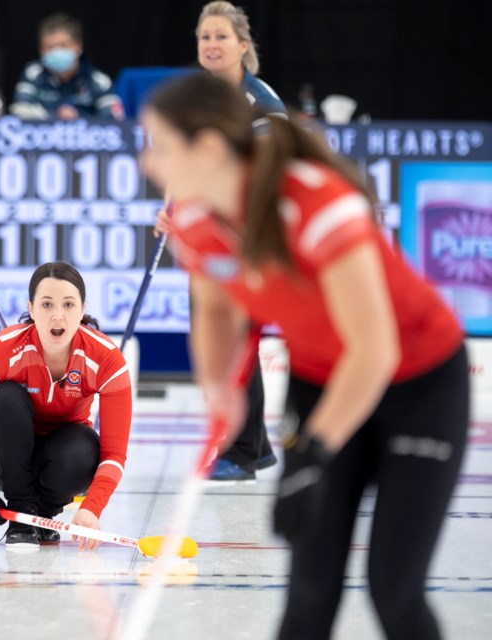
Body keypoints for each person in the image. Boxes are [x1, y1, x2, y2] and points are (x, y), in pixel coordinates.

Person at [142, 73, 469, 640]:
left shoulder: (316, 203)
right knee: (310, 592)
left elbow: (374, 349)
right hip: (318, 379)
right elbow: (218, 314)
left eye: (160, 147)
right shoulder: (194, 223)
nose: (150, 165)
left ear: (210, 148)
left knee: (394, 588)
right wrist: (220, 392)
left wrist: (315, 449)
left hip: (418, 385)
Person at [0, 262, 133, 551]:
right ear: (31, 308)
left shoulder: (106, 359)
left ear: (82, 309)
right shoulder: (5, 348)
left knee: (85, 446)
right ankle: (21, 515)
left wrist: (92, 507)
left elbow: (114, 454)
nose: (57, 315)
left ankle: (41, 514)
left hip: (54, 459)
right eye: (46, 304)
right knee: (6, 398)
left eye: (68, 304)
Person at [187, 1, 287, 480]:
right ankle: (257, 445)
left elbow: (275, 173)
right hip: (212, 234)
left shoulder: (260, 101)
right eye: (205, 36)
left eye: (221, 36)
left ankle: (244, 451)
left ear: (243, 46)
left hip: (247, 236)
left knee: (235, 341)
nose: (211, 45)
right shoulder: (198, 95)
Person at [10, 13, 124, 121]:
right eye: (49, 47)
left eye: (63, 46)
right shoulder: (32, 74)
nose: (56, 52)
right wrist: (54, 117)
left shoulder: (98, 81)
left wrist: (79, 118)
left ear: (78, 46)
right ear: (40, 50)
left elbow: (114, 121)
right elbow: (19, 111)